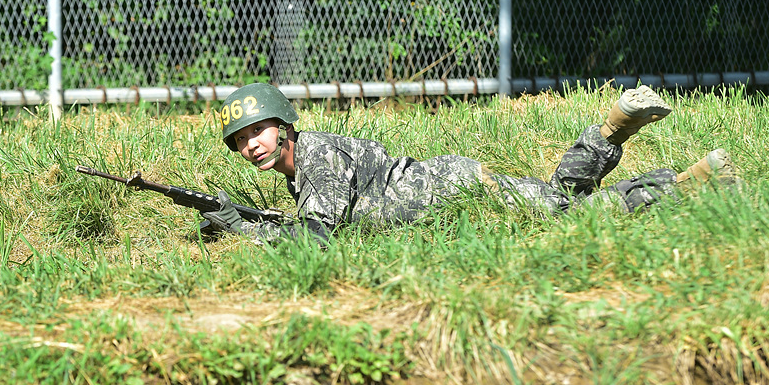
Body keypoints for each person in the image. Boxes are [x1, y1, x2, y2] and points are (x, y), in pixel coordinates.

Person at [199, 82, 736, 243]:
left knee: (576, 218)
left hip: (463, 195)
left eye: (259, 131)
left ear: (285, 125)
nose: (252, 145)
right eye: (241, 139)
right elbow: (315, 222)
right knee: (561, 201)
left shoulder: (315, 158)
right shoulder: (310, 161)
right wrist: (242, 217)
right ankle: (612, 125)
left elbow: (318, 240)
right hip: (458, 192)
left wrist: (242, 231)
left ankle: (686, 184)